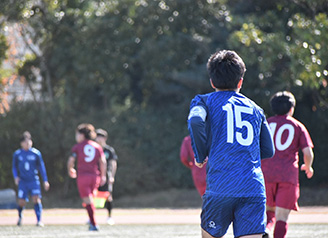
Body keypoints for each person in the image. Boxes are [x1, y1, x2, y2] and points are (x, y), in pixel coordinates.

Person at [188, 50, 275, 238]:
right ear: (240, 82)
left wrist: (200, 154)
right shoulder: (257, 109)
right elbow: (268, 150)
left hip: (221, 185)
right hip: (253, 186)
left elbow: (195, 121)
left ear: (212, 81)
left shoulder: (203, 101)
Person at [261, 91, 314, 238]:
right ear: (291, 109)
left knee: (268, 210)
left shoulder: (266, 124)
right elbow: (308, 153)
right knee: (282, 216)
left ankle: (265, 230)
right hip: (287, 175)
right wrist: (308, 166)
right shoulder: (297, 126)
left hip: (266, 173)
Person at [67, 123, 107, 231]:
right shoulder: (97, 146)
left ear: (82, 135)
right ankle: (92, 219)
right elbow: (103, 161)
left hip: (83, 176)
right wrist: (103, 175)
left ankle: (93, 224)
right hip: (95, 176)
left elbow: (71, 160)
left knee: (87, 200)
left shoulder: (77, 147)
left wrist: (71, 169)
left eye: (77, 134)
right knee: (90, 199)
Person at [12, 131, 50, 227]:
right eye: (25, 142)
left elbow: (41, 167)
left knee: (36, 199)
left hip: (33, 180)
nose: (27, 144)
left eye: (29, 141)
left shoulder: (36, 153)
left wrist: (45, 180)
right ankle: (20, 216)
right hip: (23, 181)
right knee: (21, 201)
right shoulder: (17, 154)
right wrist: (16, 177)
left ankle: (39, 220)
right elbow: (14, 167)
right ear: (21, 143)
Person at [95, 128, 118, 225]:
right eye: (97, 136)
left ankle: (109, 217)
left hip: (106, 175)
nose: (98, 139)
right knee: (93, 196)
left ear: (105, 138)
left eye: (100, 137)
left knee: (108, 196)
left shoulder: (109, 150)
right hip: (95, 176)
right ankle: (92, 217)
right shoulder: (94, 149)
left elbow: (113, 163)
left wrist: (112, 176)